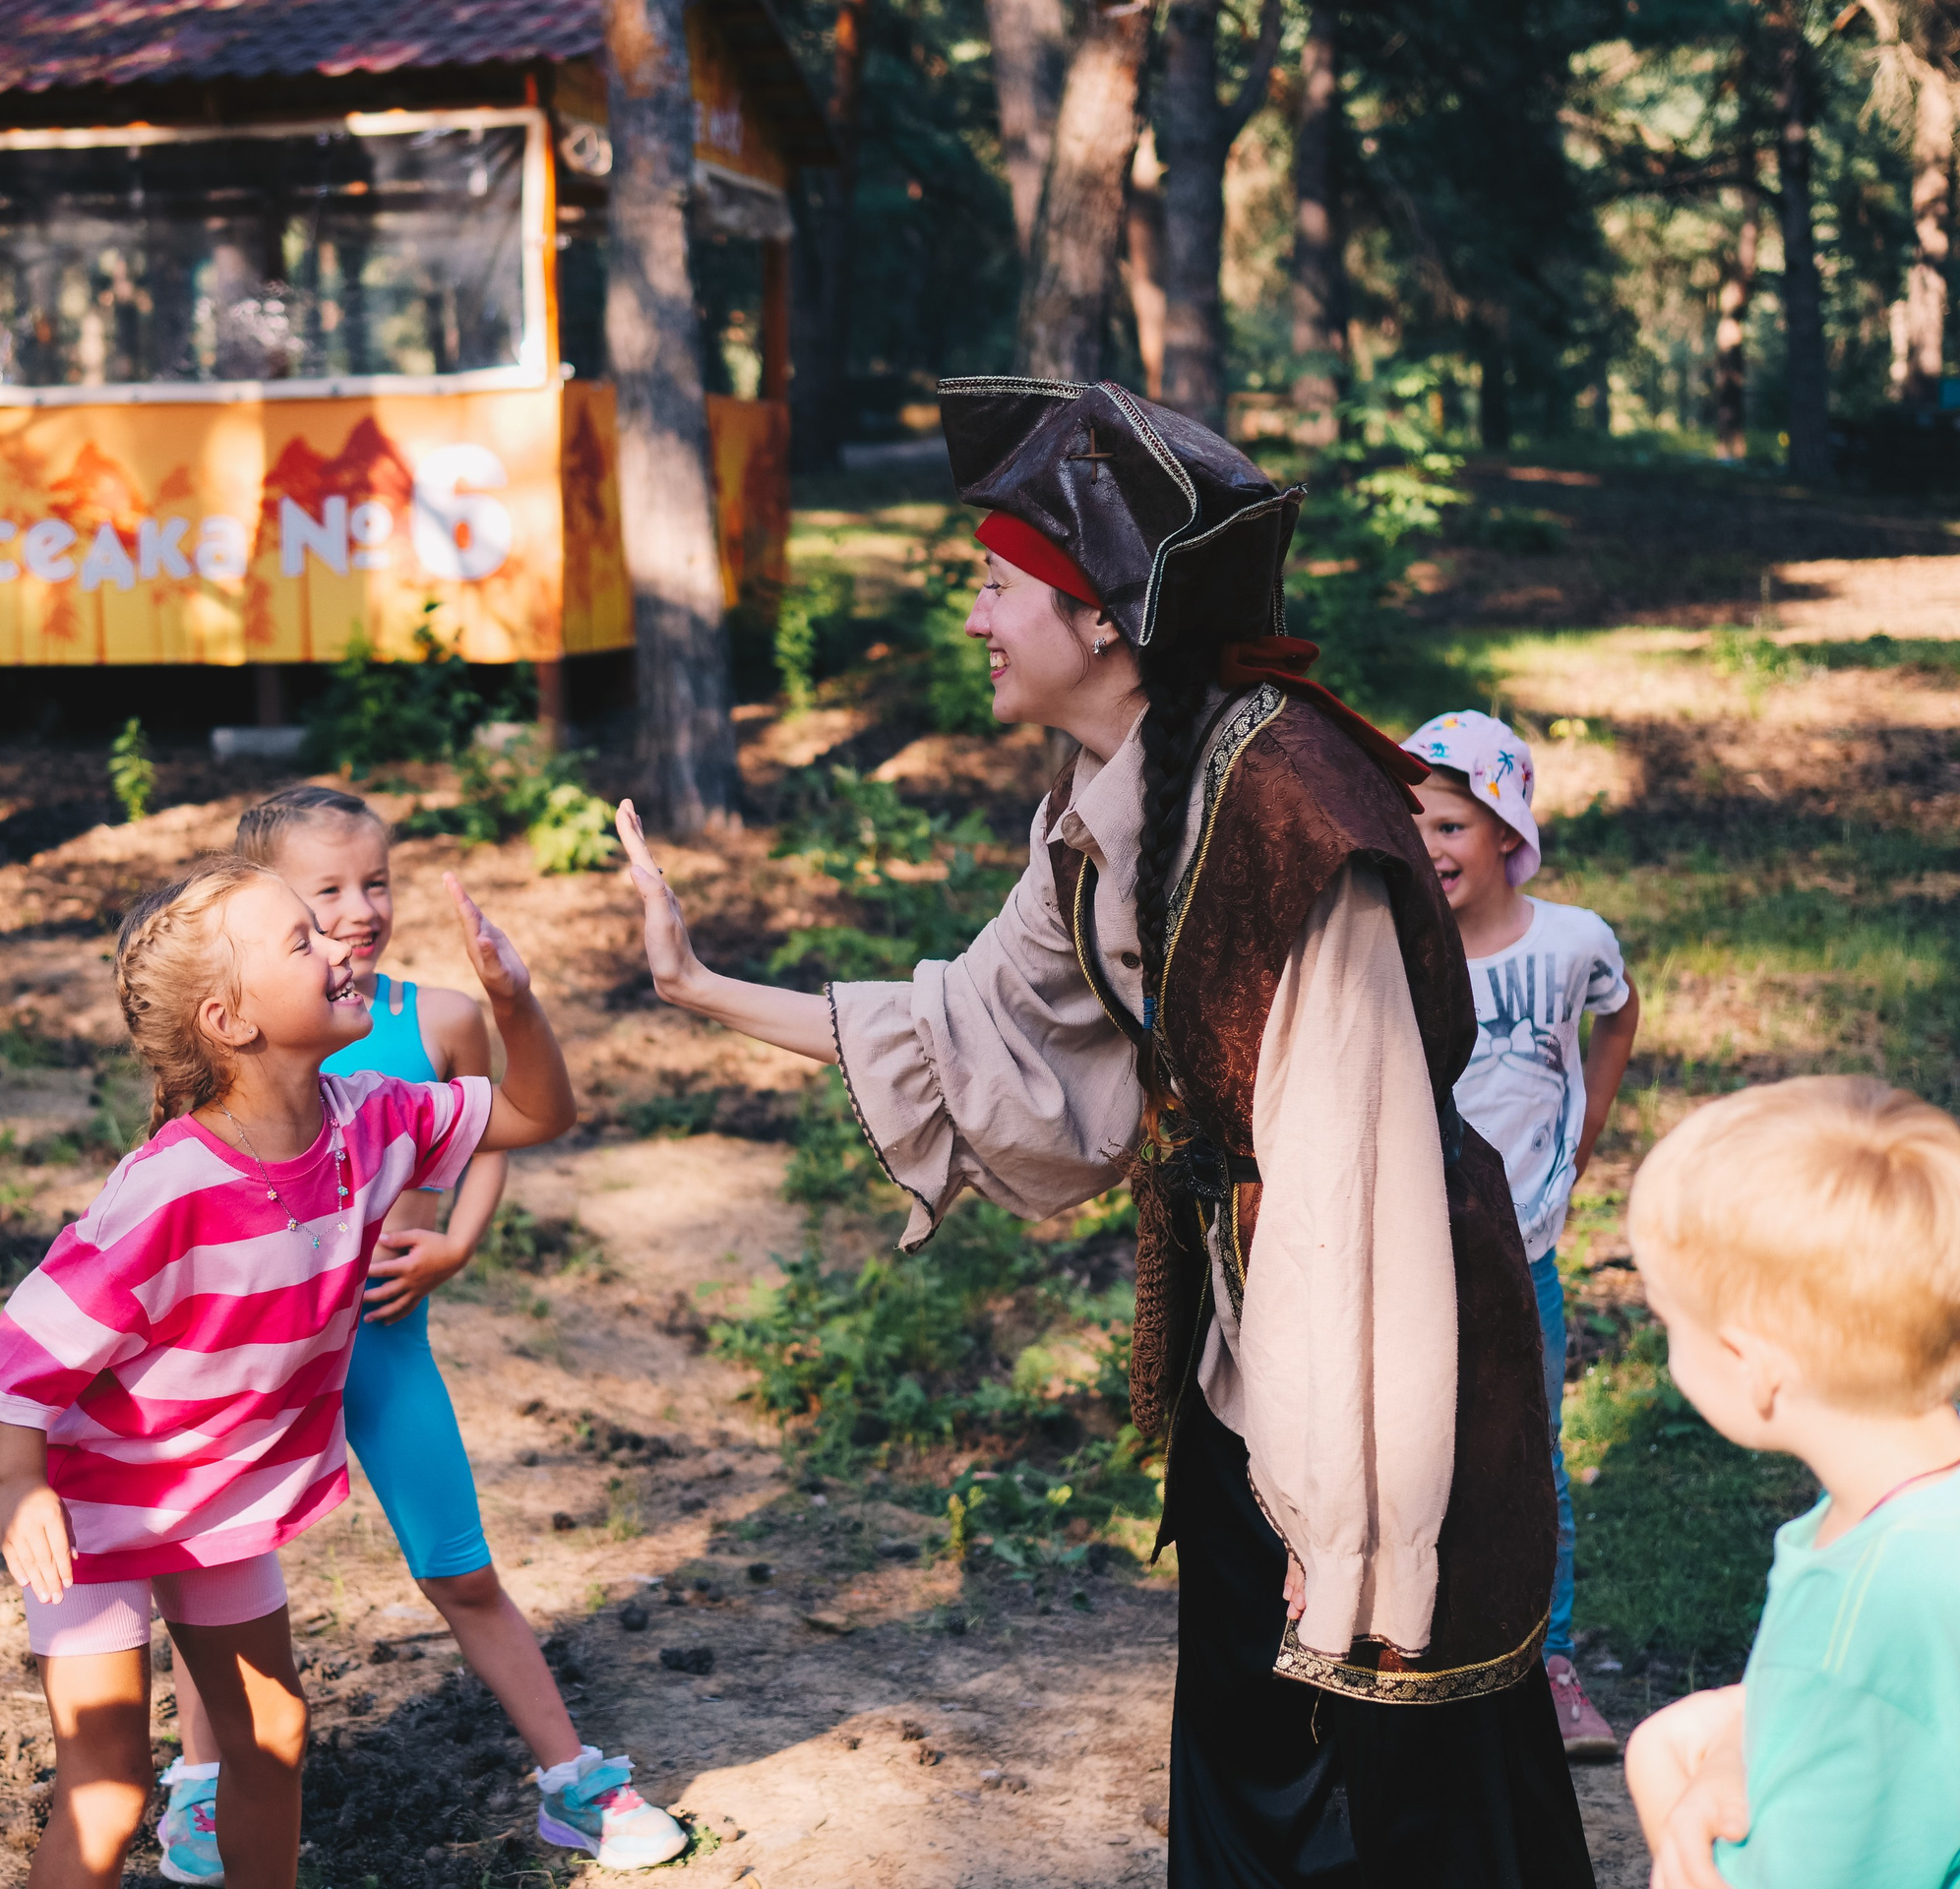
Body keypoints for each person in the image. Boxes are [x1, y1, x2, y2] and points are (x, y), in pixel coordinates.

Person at [616, 377, 1593, 1884]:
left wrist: (1352, 1539)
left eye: (996, 585)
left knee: (1393, 1744)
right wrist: (701, 988)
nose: (974, 618)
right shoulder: (1108, 793)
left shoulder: (1284, 808)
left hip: (1380, 1356)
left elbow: (1353, 1185)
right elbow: (975, 1022)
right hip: (1252, 1328)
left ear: (1102, 620)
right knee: (1249, 1724)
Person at [0, 855, 576, 1889]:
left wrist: (514, 1003)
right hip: (96, 1511)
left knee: (271, 1736)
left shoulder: (373, 1117)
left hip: (222, 1502)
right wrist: (21, 1484)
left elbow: (536, 1115)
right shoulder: (168, 1192)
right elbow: (26, 1350)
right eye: (302, 939)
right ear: (231, 1021)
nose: (340, 945)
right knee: (107, 1792)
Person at [145, 786, 689, 1885]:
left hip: (383, 1351)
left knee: (461, 1565)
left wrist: (456, 1241)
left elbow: (500, 1125)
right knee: (224, 1571)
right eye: (322, 894)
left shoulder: (431, 1021)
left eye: (376, 882)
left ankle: (571, 1781)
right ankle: (200, 1792)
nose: (358, 909)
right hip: (254, 1373)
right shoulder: (238, 1055)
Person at [1622, 1076, 1960, 1889]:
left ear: (1752, 1364)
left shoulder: (1861, 1614)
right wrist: (1736, 1745)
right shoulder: (1903, 1518)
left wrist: (1665, 1768)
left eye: (1669, 1321)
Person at [1403, 711, 1641, 1759]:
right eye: (1408, 822)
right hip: (1410, 1255)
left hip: (1526, 1257)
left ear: (1504, 830)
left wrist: (1588, 1124)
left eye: (1449, 823)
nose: (1427, 846)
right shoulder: (1397, 956)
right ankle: (1416, 1648)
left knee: (1530, 1455)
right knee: (1410, 1449)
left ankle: (1549, 1663)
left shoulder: (1571, 942)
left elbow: (1617, 1013)